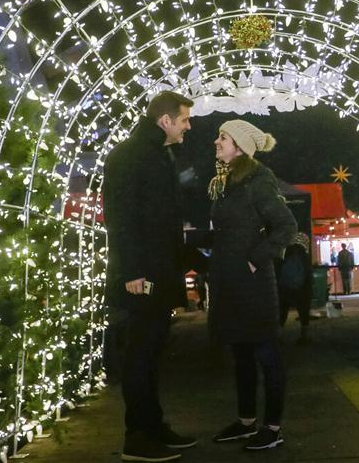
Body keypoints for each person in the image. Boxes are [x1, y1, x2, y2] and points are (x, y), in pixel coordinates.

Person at [103, 90, 195, 462]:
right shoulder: (130, 155)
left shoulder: (158, 154)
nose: (188, 127)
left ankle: (153, 425)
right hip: (142, 276)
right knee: (140, 353)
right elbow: (120, 216)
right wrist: (133, 271)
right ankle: (137, 436)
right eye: (184, 119)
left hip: (157, 271)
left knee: (153, 350)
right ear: (165, 120)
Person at [206, 120, 297, 451]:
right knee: (241, 354)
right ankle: (246, 422)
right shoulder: (229, 180)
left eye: (223, 137)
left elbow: (286, 226)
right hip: (232, 283)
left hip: (254, 285)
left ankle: (272, 428)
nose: (216, 142)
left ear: (240, 146)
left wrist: (255, 259)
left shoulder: (258, 179)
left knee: (266, 355)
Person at [277, 233, 313, 344]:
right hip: (301, 289)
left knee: (283, 311)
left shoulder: (286, 253)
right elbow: (308, 274)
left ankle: (278, 336)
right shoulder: (304, 255)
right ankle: (304, 336)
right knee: (303, 311)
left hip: (285, 287)